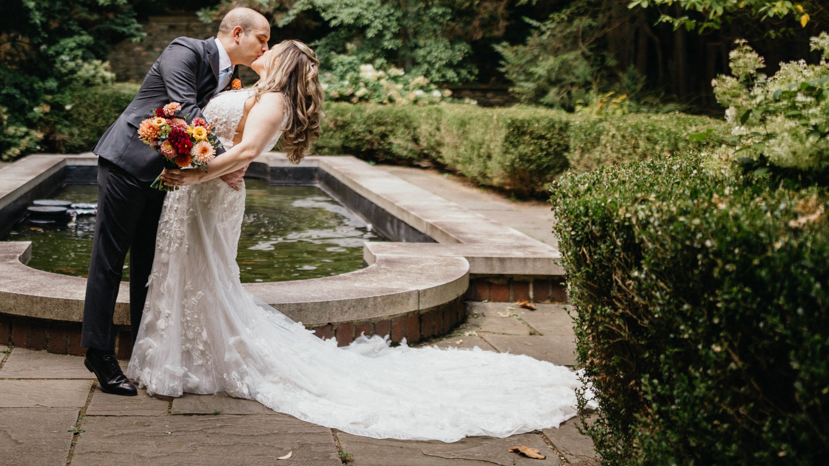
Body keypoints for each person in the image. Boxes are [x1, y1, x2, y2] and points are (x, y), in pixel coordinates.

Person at [127, 40, 584, 441]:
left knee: (207, 271)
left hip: (205, 193)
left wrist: (192, 174)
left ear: (285, 62)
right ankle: (186, 353)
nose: (263, 50)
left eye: (273, 46)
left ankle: (202, 359)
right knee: (190, 269)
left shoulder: (274, 102)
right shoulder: (255, 94)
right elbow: (232, 143)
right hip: (201, 190)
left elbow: (246, 151)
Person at [81, 7, 271, 395]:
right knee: (109, 261)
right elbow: (185, 110)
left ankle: (141, 349)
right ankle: (98, 354)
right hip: (127, 164)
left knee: (150, 265)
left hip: (169, 177)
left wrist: (227, 163)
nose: (264, 47)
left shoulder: (231, 77)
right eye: (262, 39)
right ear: (237, 33)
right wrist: (224, 164)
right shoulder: (184, 50)